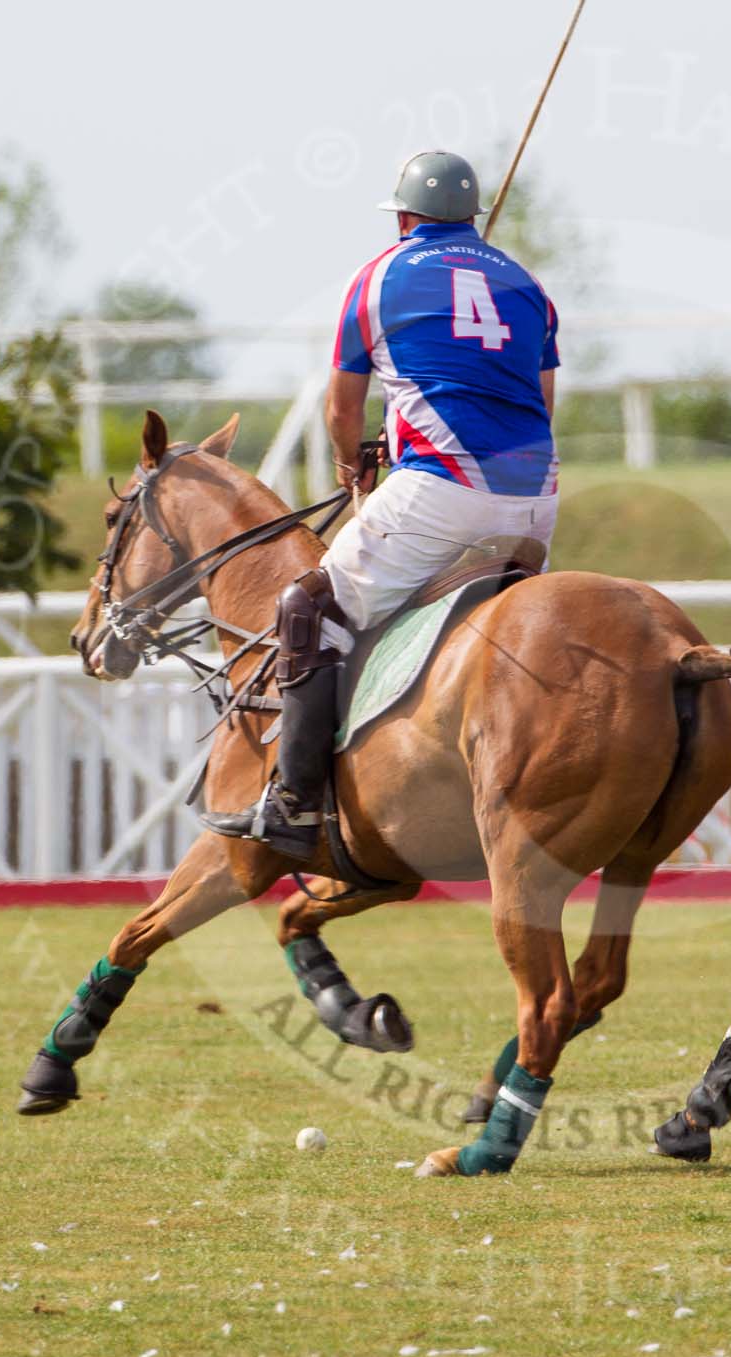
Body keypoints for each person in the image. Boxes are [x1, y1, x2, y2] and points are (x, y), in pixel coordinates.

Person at [225, 150, 561, 858]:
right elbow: (538, 402)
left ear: (405, 217)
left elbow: (342, 407)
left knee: (307, 607)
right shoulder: (529, 286)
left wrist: (355, 466)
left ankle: (293, 800)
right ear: (472, 217)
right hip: (536, 498)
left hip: (441, 492)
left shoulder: (376, 279)